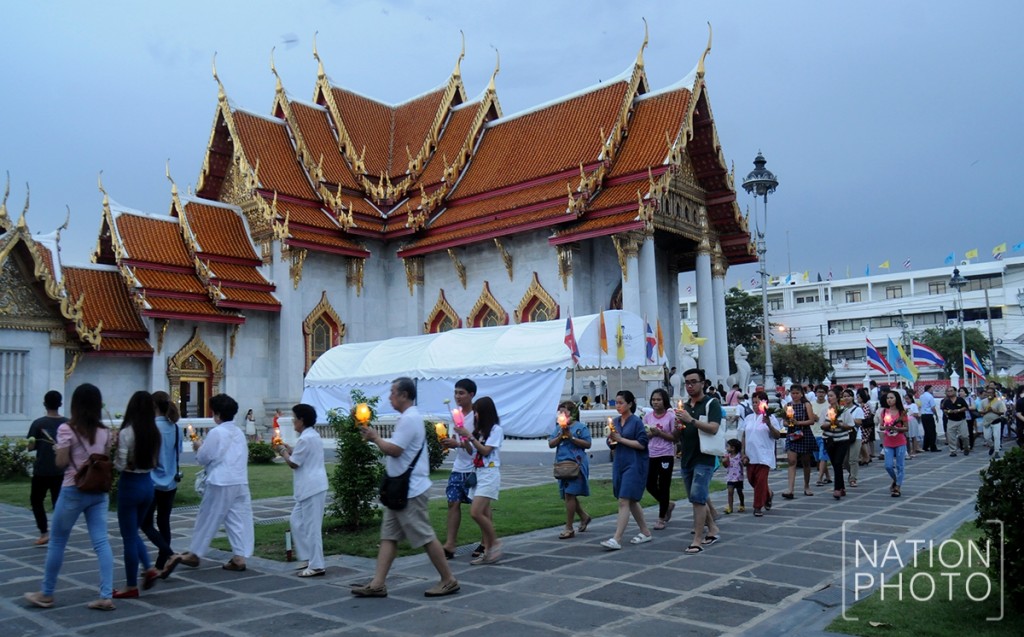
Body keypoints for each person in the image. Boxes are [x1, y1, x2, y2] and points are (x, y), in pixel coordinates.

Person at [351, 377, 459, 597]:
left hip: (411, 490)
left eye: (393, 392)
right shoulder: (407, 418)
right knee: (389, 536)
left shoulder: (410, 419)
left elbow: (395, 450)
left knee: (425, 536)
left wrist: (375, 438)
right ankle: (378, 583)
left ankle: (448, 579)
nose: (390, 396)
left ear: (404, 395)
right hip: (400, 490)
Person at [24, 383, 115, 611]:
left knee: (57, 541)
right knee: (101, 542)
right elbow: (102, 460)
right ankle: (106, 595)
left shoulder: (67, 429)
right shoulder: (105, 432)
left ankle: (47, 593)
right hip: (98, 491)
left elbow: (61, 463)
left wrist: (59, 451)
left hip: (73, 489)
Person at [162, 393, 253, 575]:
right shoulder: (238, 432)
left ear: (217, 414)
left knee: (207, 517)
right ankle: (239, 556)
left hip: (220, 481)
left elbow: (205, 457)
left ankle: (195, 553)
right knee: (237, 519)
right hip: (239, 480)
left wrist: (198, 447)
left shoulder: (217, 432)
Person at [113, 391, 167, 598]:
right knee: (133, 532)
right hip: (147, 484)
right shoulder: (155, 433)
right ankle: (148, 567)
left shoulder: (127, 432)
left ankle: (130, 584)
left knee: (128, 536)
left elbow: (120, 464)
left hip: (130, 484)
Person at [275, 403, 328, 577]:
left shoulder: (306, 438)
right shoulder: (311, 436)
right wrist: (290, 449)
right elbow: (301, 455)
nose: (293, 421)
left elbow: (294, 463)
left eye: (294, 418)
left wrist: (283, 451)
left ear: (301, 420)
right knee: (296, 521)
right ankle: (308, 557)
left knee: (312, 528)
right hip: (310, 487)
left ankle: (317, 564)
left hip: (312, 487)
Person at [674, 369, 722, 554]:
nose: (690, 386)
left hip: (704, 457)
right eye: (687, 382)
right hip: (687, 457)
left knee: (698, 498)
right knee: (696, 498)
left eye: (693, 382)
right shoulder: (684, 406)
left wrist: (691, 420)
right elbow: (676, 436)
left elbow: (713, 428)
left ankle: (697, 540)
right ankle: (713, 529)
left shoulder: (711, 403)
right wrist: (678, 426)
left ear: (703, 383)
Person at [454, 396, 504, 565]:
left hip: (489, 473)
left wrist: (470, 436)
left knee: (476, 512)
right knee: (483, 512)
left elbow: (485, 450)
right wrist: (463, 438)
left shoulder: (496, 430)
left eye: (478, 412)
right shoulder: (479, 431)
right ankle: (488, 551)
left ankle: (494, 542)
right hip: (478, 473)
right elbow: (471, 451)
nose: (475, 415)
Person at [601, 390, 652, 550]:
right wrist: (612, 441)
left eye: (621, 403)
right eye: (616, 403)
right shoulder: (616, 421)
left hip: (634, 463)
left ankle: (617, 538)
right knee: (631, 500)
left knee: (624, 500)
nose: (618, 406)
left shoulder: (636, 422)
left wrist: (621, 439)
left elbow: (642, 444)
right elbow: (612, 443)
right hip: (620, 462)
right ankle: (645, 531)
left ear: (630, 404)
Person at [440, 379, 481, 559]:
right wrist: (447, 442)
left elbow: (475, 446)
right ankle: (450, 544)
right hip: (459, 467)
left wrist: (458, 443)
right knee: (453, 502)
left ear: (471, 395)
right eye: (456, 392)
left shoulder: (477, 417)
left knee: (479, 508)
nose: (457, 396)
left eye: (461, 393)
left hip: (475, 468)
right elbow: (456, 440)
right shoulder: (455, 415)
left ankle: (486, 541)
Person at [141, 391, 181, 572]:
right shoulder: (175, 428)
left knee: (146, 523)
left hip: (152, 481)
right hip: (170, 481)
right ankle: (161, 564)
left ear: (153, 406)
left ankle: (169, 554)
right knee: (164, 521)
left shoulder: (150, 427)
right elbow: (178, 451)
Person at [26, 390, 67, 546]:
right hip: (61, 470)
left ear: (44, 404)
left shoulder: (38, 423)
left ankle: (44, 532)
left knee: (36, 501)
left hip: (41, 470)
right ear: (60, 404)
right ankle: (58, 532)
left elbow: (31, 447)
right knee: (59, 503)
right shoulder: (68, 423)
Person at [548, 400, 592, 538]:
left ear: (572, 413)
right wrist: (561, 436)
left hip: (576, 464)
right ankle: (584, 516)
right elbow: (551, 443)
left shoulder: (580, 427)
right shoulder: (558, 428)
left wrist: (572, 438)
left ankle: (569, 527)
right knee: (567, 495)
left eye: (564, 412)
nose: (561, 414)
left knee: (570, 494)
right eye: (560, 412)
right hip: (562, 465)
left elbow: (587, 444)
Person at [740, 391, 781, 517]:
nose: (754, 405)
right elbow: (744, 435)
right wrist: (743, 452)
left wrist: (769, 424)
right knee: (752, 480)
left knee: (760, 481)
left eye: (757, 402)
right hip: (750, 455)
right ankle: (768, 494)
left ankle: (757, 506)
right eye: (753, 402)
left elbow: (777, 435)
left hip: (764, 455)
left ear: (764, 403)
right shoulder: (748, 418)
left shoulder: (771, 418)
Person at [644, 388, 676, 529]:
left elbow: (674, 438)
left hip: (666, 454)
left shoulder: (670, 417)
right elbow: (644, 435)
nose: (655, 402)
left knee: (664, 485)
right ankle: (667, 504)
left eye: (658, 399)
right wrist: (651, 434)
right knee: (650, 484)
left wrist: (660, 433)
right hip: (651, 453)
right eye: (653, 400)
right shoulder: (648, 417)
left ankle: (661, 517)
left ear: (664, 401)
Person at [781, 385, 818, 499]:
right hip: (792, 434)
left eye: (797, 393)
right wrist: (789, 423)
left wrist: (798, 423)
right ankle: (790, 489)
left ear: (801, 394)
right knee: (792, 461)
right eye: (793, 393)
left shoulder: (806, 405)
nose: (795, 395)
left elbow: (811, 420)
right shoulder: (787, 406)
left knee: (806, 462)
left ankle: (806, 486)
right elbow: (784, 422)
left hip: (804, 434)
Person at [821, 388, 855, 500]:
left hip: (842, 440)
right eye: (828, 396)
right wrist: (830, 423)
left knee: (837, 462)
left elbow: (850, 425)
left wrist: (839, 424)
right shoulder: (825, 410)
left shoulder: (844, 411)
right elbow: (822, 425)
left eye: (831, 396)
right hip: (829, 439)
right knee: (835, 464)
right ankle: (842, 487)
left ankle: (837, 488)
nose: (829, 398)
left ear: (837, 397)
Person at [880, 390, 910, 497]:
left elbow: (906, 428)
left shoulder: (902, 412)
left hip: (900, 441)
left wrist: (897, 428)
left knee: (900, 465)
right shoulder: (884, 411)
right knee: (888, 466)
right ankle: (896, 480)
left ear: (896, 399)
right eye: (888, 398)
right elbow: (881, 426)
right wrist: (886, 427)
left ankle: (897, 486)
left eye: (891, 398)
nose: (889, 400)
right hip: (888, 442)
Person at [809, 386, 832, 487]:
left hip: (824, 434)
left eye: (823, 392)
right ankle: (828, 476)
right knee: (818, 458)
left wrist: (819, 418)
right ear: (815, 393)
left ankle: (819, 478)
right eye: (819, 392)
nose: (821, 394)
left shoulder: (829, 405)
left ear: (826, 393)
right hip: (813, 433)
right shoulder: (811, 405)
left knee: (823, 456)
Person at [842, 389, 865, 488]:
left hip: (855, 436)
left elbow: (859, 422)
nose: (846, 398)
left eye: (848, 396)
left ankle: (853, 478)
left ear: (852, 397)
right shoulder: (841, 409)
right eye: (844, 396)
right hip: (843, 435)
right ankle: (851, 473)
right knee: (844, 460)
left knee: (853, 459)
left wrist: (848, 419)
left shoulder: (857, 409)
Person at [941, 386, 970, 456]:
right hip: (951, 420)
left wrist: (958, 410)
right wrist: (949, 411)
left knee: (964, 436)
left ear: (955, 391)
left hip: (961, 420)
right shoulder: (946, 401)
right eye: (948, 391)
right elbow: (944, 409)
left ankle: (966, 447)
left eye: (951, 391)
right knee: (951, 437)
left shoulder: (960, 399)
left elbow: (966, 407)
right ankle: (953, 451)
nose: (950, 392)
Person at [722, 438, 745, 513]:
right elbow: (725, 466)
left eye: (727, 446)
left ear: (733, 448)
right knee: (730, 492)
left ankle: (742, 504)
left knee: (739, 492)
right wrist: (724, 461)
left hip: (739, 478)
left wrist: (744, 460)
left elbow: (744, 463)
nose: (726, 448)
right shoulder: (727, 456)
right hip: (730, 478)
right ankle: (730, 507)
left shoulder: (739, 456)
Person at [919, 385, 939, 452]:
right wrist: (936, 415)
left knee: (926, 431)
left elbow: (920, 405)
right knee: (932, 431)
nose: (932, 390)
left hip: (923, 415)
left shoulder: (921, 396)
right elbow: (933, 407)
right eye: (931, 389)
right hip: (929, 414)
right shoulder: (930, 396)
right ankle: (933, 447)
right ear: (929, 389)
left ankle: (925, 446)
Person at [905, 388, 922, 458]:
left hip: (912, 421)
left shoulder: (914, 405)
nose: (906, 400)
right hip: (906, 421)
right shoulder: (904, 405)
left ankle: (914, 450)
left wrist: (911, 414)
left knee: (913, 436)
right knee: (907, 437)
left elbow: (916, 414)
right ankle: (908, 450)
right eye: (905, 399)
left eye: (908, 399)